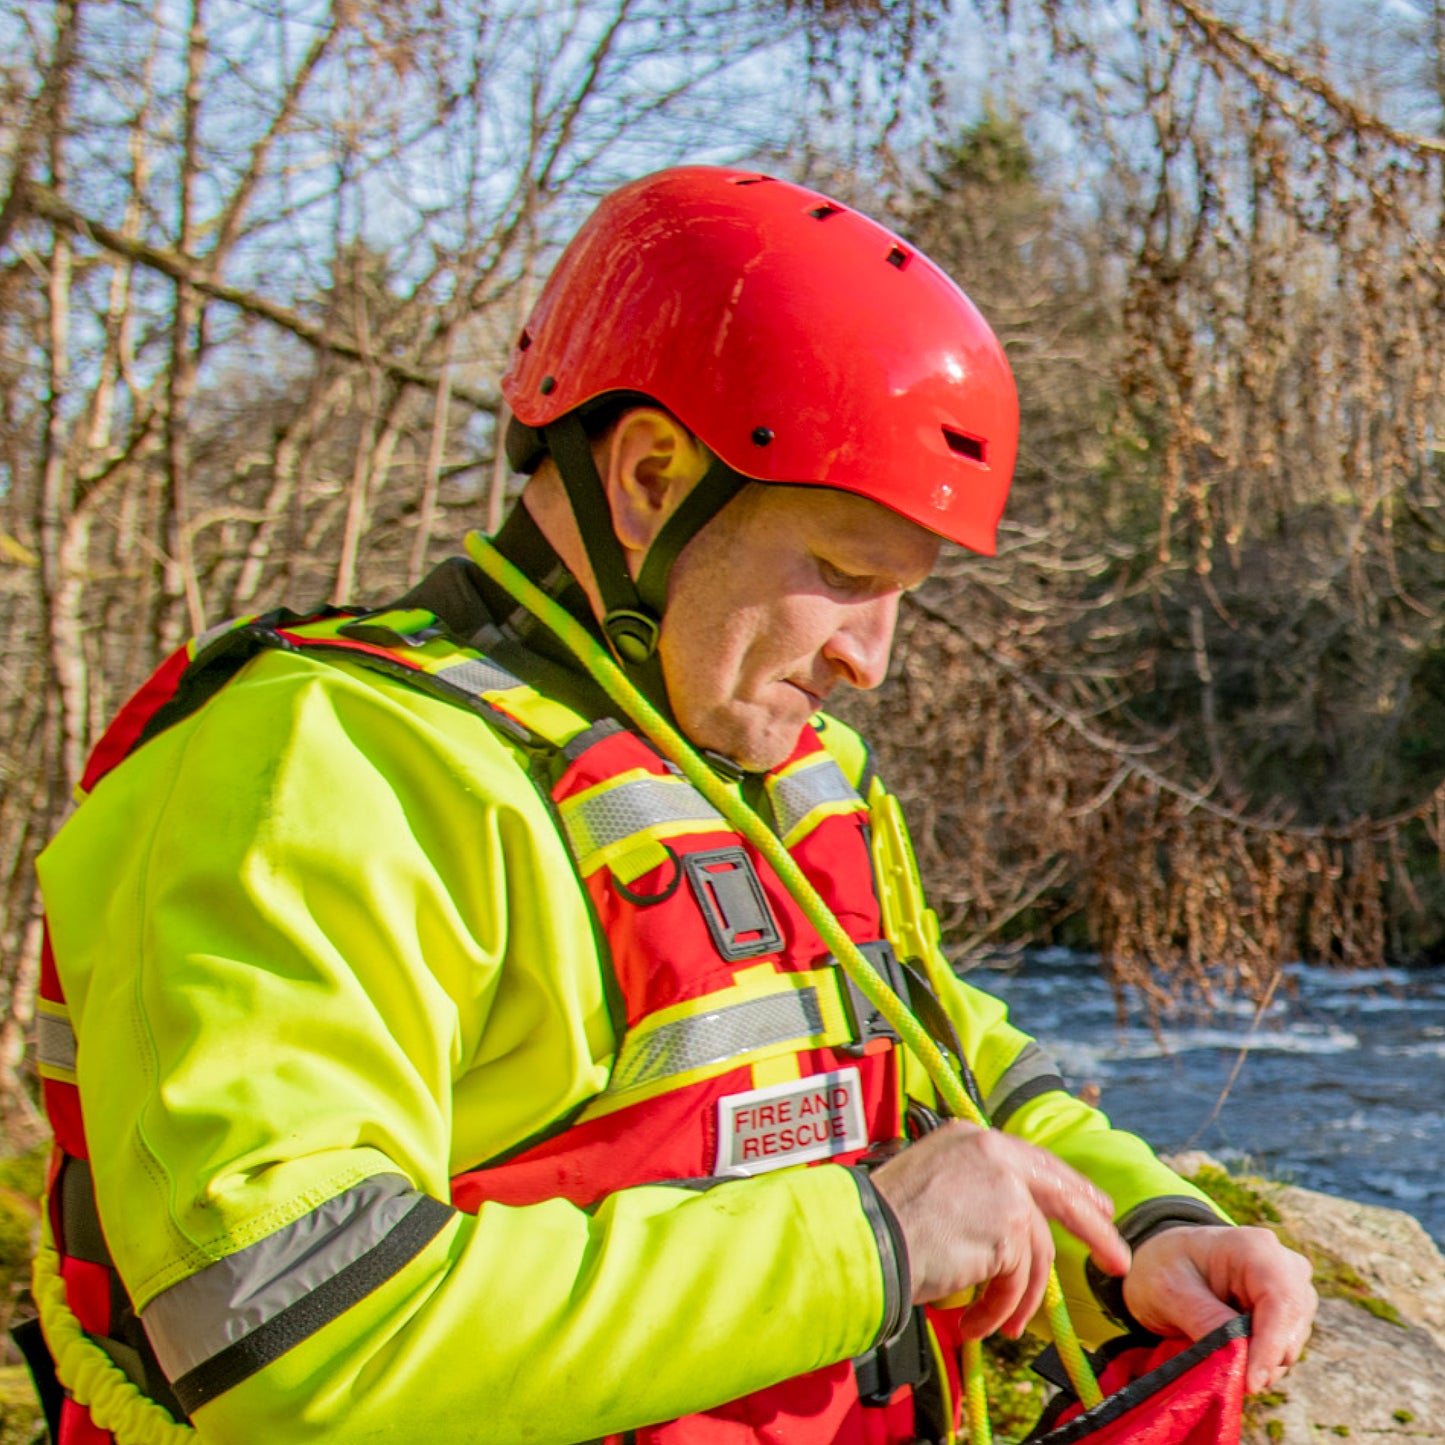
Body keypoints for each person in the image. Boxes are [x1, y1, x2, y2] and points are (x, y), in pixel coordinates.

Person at [30, 166, 1315, 1445]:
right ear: (648, 475)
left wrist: (1137, 1228)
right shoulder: (317, 765)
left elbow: (916, 1045)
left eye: (902, 594)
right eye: (841, 570)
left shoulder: (765, 765)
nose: (870, 658)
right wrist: (877, 1239)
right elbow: (289, 1336)